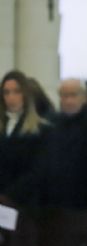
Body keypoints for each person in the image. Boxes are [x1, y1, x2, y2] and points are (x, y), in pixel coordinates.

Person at [38, 79, 87, 209]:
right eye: (65, 96)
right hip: (55, 197)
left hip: (85, 197)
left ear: (84, 97)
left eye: (73, 95)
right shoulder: (51, 122)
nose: (69, 101)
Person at [0, 71, 51, 207]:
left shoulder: (41, 129)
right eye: (6, 92)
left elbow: (38, 171)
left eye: (17, 92)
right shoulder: (3, 126)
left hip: (25, 203)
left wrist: (9, 195)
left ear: (26, 94)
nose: (11, 97)